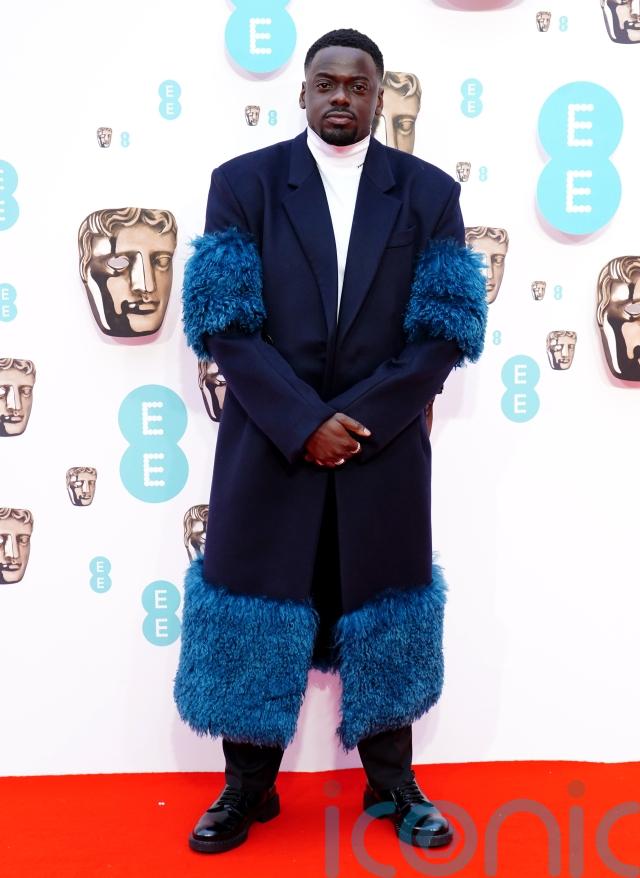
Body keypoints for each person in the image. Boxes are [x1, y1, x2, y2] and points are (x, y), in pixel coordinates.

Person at [174, 28, 487, 854]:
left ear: (380, 96)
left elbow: (445, 331)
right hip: (269, 447)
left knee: (385, 611)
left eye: (358, 84)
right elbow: (224, 325)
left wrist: (358, 423)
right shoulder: (242, 183)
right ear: (303, 92)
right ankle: (247, 788)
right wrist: (302, 422)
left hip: (383, 450)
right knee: (255, 608)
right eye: (327, 82)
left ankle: (393, 786)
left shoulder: (428, 194)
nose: (341, 95)